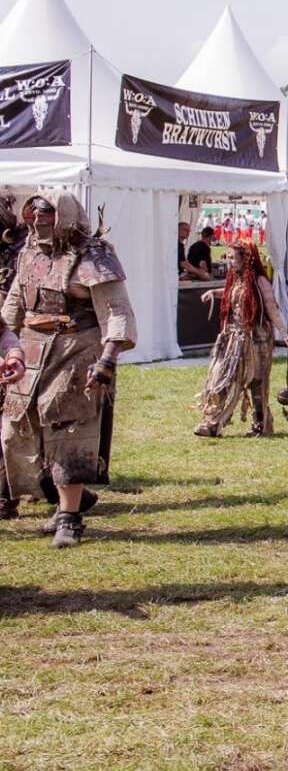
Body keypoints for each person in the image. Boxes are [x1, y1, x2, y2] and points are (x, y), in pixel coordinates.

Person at [0, 192, 136, 548]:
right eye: (32, 211)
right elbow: (14, 304)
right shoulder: (29, 252)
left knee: (66, 432)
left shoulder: (94, 254)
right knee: (18, 432)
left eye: (45, 211)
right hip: (28, 352)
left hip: (77, 351)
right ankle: (66, 496)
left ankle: (69, 517)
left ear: (64, 213)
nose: (37, 218)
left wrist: (106, 359)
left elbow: (116, 311)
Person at [194, 241, 288, 439]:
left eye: (233, 258)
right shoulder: (235, 279)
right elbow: (232, 294)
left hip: (255, 340)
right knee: (221, 378)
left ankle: (261, 424)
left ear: (246, 259)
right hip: (232, 338)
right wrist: (214, 292)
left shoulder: (260, 282)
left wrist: (284, 333)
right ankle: (212, 423)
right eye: (228, 257)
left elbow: (271, 307)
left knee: (256, 382)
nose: (229, 262)